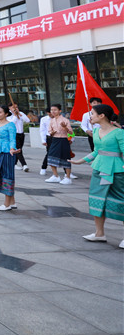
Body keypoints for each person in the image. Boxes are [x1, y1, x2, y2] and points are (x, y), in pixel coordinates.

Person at [69, 104, 124, 247]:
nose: (90, 117)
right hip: (99, 169)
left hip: (116, 170)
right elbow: (96, 151)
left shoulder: (119, 132)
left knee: (121, 200)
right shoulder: (95, 131)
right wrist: (80, 161)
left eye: (92, 113)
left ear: (102, 115)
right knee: (96, 199)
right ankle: (99, 234)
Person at [46, 103, 73, 184]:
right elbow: (49, 131)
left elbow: (71, 133)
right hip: (54, 140)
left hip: (63, 140)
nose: (53, 111)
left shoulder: (65, 120)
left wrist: (65, 128)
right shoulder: (51, 120)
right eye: (51, 110)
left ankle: (68, 177)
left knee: (66, 158)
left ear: (60, 111)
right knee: (50, 156)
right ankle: (55, 176)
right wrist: (52, 132)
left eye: (55, 110)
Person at [7, 102, 30, 172]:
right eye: (13, 107)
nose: (15, 108)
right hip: (14, 134)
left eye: (16, 107)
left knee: (19, 149)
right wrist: (15, 115)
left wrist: (20, 115)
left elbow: (27, 120)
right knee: (19, 149)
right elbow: (11, 123)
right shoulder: (8, 116)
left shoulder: (21, 113)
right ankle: (24, 165)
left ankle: (14, 164)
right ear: (9, 108)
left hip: (21, 134)